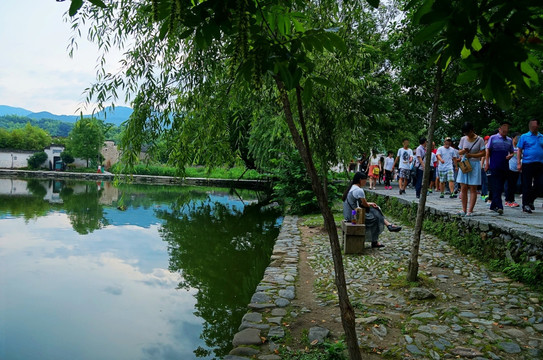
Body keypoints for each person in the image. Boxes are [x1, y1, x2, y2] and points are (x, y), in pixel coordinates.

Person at [342, 172, 402, 248]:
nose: (365, 181)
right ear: (360, 180)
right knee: (375, 217)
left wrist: (370, 204)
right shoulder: (359, 190)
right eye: (365, 180)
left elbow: (359, 203)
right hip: (354, 217)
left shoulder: (351, 188)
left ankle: (388, 225)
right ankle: (380, 235)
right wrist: (369, 205)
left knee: (374, 210)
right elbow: (364, 205)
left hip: (349, 214)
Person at [457, 122, 486, 216]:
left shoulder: (480, 140)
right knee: (463, 187)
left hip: (474, 163)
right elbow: (459, 152)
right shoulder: (463, 139)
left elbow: (483, 153)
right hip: (465, 163)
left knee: (473, 187)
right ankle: (464, 209)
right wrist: (464, 151)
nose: (466, 135)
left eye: (467, 133)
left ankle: (470, 210)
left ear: (472, 130)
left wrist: (472, 155)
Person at [485, 121, 514, 215]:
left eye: (507, 130)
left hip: (504, 166)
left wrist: (510, 156)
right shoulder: (493, 138)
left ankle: (493, 205)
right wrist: (487, 164)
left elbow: (512, 152)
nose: (505, 132)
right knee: (496, 186)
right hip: (494, 165)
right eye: (504, 130)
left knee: (500, 187)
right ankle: (499, 206)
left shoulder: (509, 140)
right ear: (500, 129)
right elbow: (488, 151)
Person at [517, 119, 543, 213]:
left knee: (539, 184)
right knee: (526, 184)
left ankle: (530, 200)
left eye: (534, 125)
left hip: (540, 163)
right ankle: (525, 205)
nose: (532, 127)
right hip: (527, 163)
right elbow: (519, 150)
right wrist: (519, 163)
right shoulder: (524, 136)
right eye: (531, 125)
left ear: (538, 126)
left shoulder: (541, 137)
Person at [505, 132, 521, 207]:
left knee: (514, 185)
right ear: (512, 138)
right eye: (516, 138)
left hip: (516, 168)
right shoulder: (509, 147)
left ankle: (510, 199)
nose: (518, 139)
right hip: (509, 167)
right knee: (510, 185)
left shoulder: (519, 148)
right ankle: (509, 200)